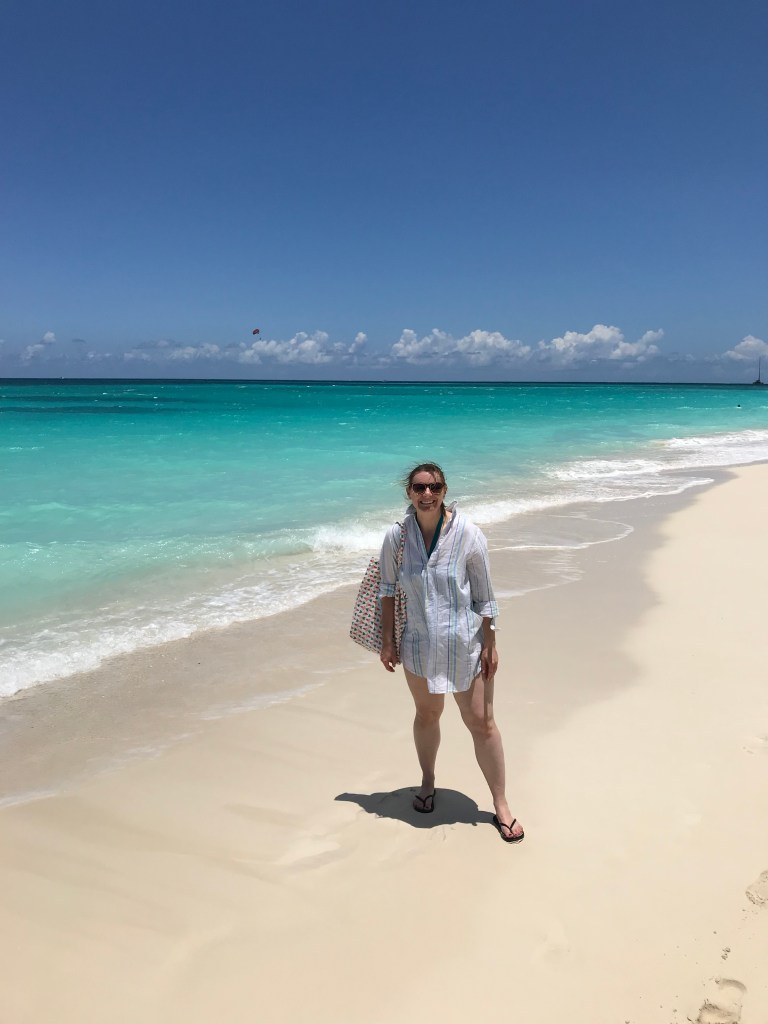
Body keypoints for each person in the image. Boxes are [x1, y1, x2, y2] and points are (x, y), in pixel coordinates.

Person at [378, 462, 524, 844]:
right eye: (419, 488)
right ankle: (428, 781)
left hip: (464, 645)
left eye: (435, 487)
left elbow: (484, 594)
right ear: (409, 493)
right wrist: (387, 641)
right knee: (427, 715)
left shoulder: (468, 534)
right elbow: (387, 591)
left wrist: (491, 642)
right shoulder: (397, 537)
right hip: (418, 644)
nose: (427, 494)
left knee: (482, 722)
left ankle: (501, 804)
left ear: (445, 490)